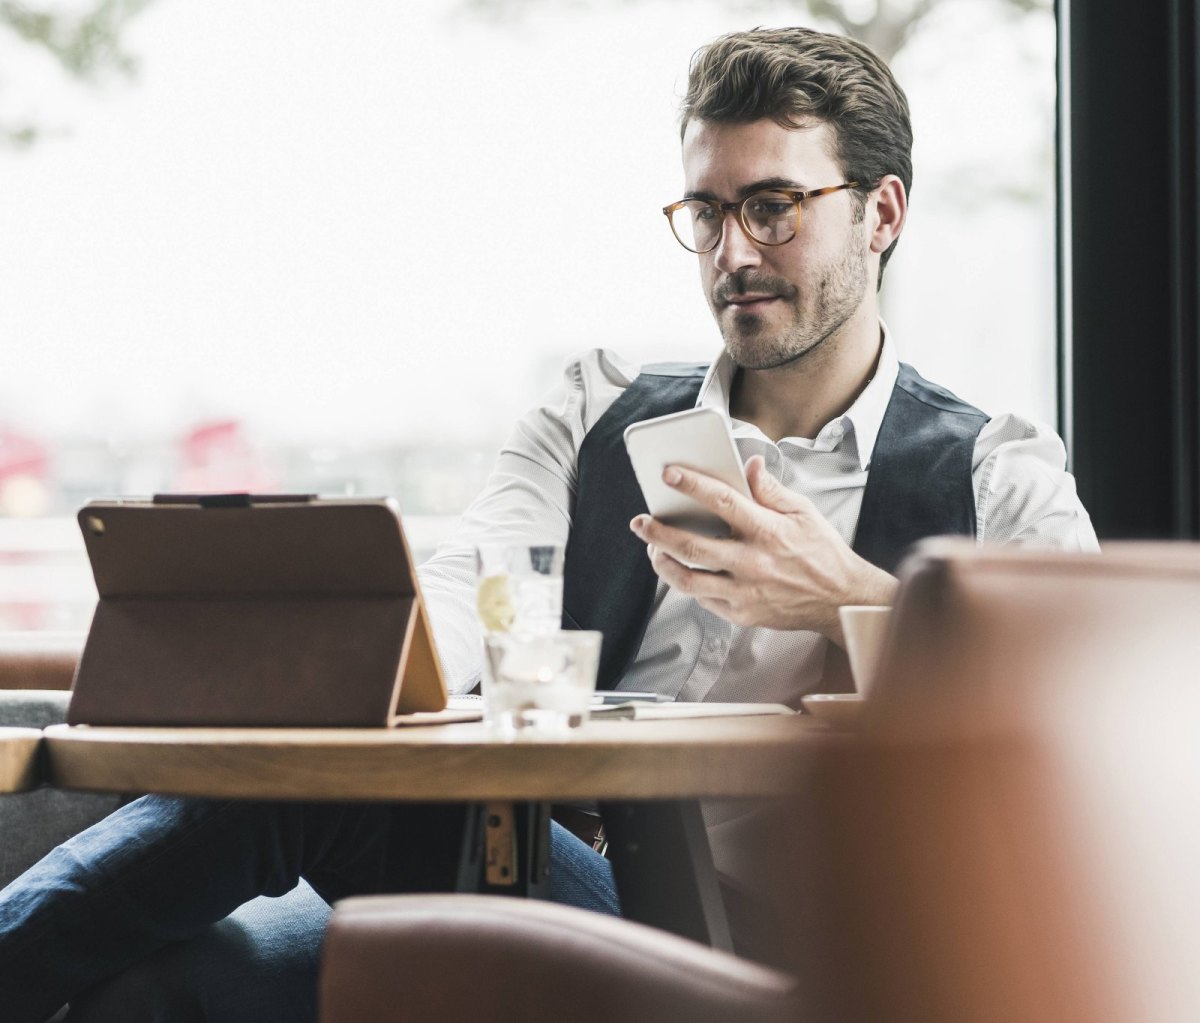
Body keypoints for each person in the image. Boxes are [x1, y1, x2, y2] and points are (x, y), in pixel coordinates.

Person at [0, 25, 1097, 1023]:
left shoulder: (996, 470)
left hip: (814, 962)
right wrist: (360, 657)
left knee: (299, 802)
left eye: (774, 207)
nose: (733, 256)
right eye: (707, 213)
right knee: (164, 989)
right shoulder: (596, 411)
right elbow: (484, 589)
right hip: (567, 881)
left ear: (883, 213)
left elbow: (1093, 709)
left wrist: (846, 595)